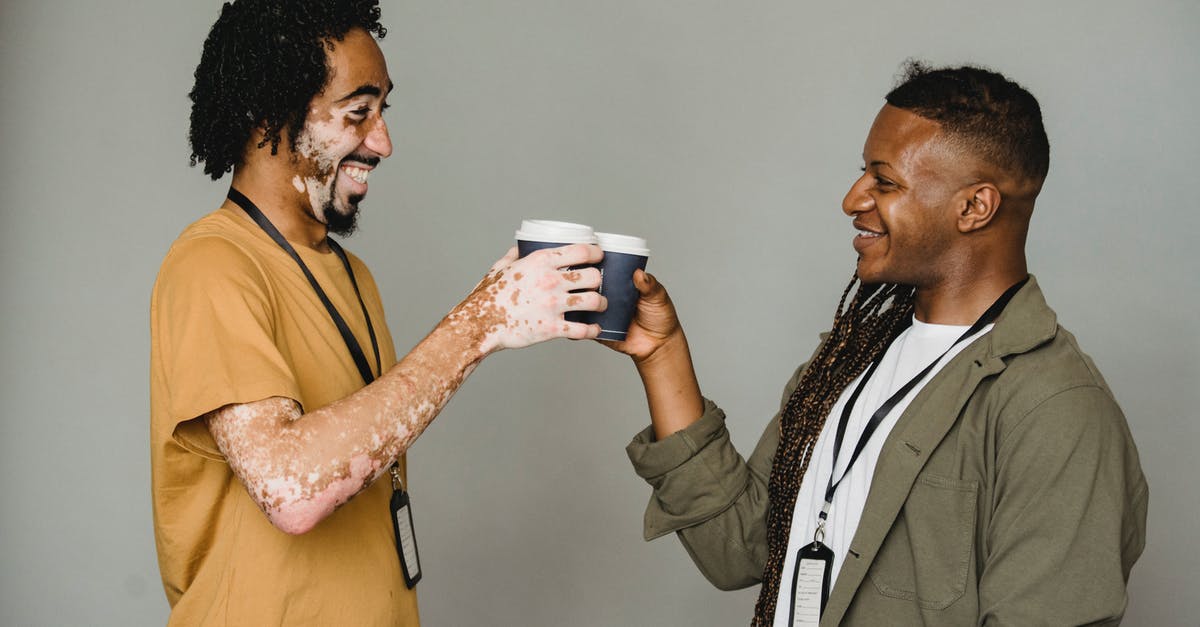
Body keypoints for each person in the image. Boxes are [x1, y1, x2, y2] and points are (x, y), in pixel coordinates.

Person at [607, 62, 1148, 626]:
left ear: (974, 207)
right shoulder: (846, 361)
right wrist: (661, 353)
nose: (852, 199)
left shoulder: (1055, 408)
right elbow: (736, 549)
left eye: (884, 182)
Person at [149, 1, 607, 624]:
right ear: (269, 113)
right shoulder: (212, 265)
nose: (384, 142)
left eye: (383, 111)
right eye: (357, 113)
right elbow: (292, 490)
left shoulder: (352, 274)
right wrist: (482, 323)